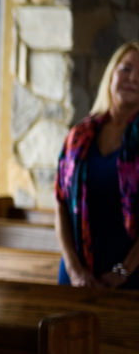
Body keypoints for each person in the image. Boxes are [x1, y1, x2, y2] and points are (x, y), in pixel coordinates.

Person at [55, 40, 139, 290]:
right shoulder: (79, 136)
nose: (133, 78)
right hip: (76, 274)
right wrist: (73, 269)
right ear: (111, 75)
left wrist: (123, 271)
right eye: (125, 69)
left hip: (132, 275)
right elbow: (60, 203)